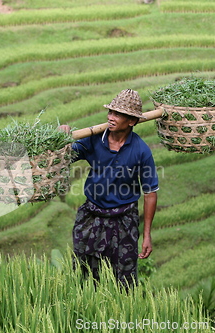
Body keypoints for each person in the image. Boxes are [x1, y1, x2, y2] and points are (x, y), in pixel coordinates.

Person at [59, 89, 158, 288]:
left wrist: (146, 234)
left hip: (124, 220)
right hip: (91, 215)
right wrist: (62, 138)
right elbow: (65, 157)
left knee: (125, 282)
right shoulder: (93, 140)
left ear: (131, 121)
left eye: (118, 114)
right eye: (110, 112)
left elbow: (150, 193)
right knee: (83, 276)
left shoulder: (141, 151)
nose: (111, 117)